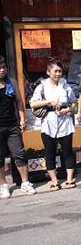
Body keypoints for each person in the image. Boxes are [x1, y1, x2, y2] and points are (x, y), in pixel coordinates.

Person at [30, 59, 77, 190]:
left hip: (64, 122)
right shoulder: (42, 86)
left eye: (60, 71)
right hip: (48, 122)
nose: (58, 74)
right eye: (55, 71)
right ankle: (54, 181)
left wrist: (67, 110)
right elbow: (33, 104)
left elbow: (74, 103)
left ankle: (69, 179)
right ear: (48, 72)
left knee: (68, 151)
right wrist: (48, 102)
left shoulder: (66, 86)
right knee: (50, 152)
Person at [0, 55, 37, 198]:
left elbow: (19, 102)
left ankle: (25, 182)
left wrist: (22, 119)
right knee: (0, 157)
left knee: (19, 153)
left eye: (4, 67)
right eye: (0, 68)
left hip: (12, 124)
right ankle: (3, 185)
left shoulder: (12, 82)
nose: (2, 70)